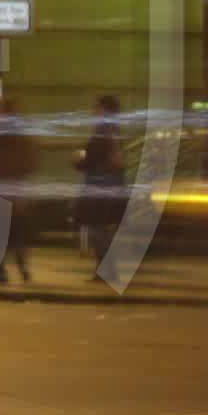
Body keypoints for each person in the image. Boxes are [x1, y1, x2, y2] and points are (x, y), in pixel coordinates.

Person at [0, 101, 39, 285]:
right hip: (15, 188)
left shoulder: (3, 136)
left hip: (6, 187)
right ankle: (21, 270)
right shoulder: (20, 136)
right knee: (15, 231)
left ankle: (4, 272)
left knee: (3, 231)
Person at [73, 94, 129, 280]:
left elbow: (91, 161)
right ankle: (105, 270)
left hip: (100, 189)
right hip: (113, 186)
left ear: (104, 109)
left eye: (97, 107)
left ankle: (107, 271)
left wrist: (78, 160)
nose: (93, 111)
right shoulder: (115, 131)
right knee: (102, 230)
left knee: (99, 231)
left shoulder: (102, 132)